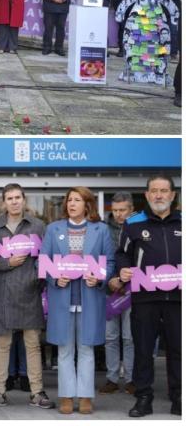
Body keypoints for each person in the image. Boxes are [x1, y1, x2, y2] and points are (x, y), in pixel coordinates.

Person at [112, 174, 181, 417]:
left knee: (178, 349)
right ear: (147, 195)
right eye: (154, 191)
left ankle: (179, 397)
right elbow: (122, 254)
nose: (159, 195)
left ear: (173, 195)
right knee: (143, 348)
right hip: (144, 298)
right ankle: (143, 397)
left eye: (164, 191)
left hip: (178, 300)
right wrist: (122, 269)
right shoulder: (133, 223)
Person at [43, 187, 114, 415]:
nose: (72, 204)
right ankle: (65, 396)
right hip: (62, 298)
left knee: (86, 349)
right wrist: (55, 278)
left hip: (90, 298)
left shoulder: (101, 230)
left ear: (87, 204)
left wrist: (99, 278)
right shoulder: (53, 229)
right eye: (69, 200)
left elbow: (110, 262)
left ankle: (85, 396)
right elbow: (42, 262)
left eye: (77, 200)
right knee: (64, 350)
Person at [0, 184, 55, 410]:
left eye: (17, 197)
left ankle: (37, 392)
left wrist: (36, 280)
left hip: (30, 292)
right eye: (9, 198)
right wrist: (7, 263)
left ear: (24, 200)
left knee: (32, 344)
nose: (14, 202)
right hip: (2, 293)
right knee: (2, 344)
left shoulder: (38, 226)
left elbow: (46, 259)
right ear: (3, 202)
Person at [101, 192, 135, 394]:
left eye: (122, 210)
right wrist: (110, 280)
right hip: (109, 290)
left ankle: (131, 378)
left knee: (130, 337)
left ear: (131, 209)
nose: (118, 214)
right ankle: (112, 378)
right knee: (110, 337)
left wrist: (125, 281)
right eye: (115, 210)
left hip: (133, 291)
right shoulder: (103, 230)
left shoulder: (139, 227)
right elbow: (100, 258)